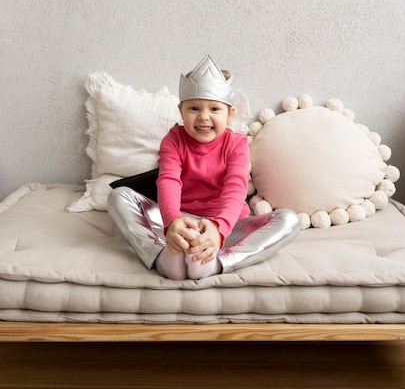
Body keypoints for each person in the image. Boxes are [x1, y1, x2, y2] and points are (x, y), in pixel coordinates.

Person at [108, 54, 300, 279]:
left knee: (289, 219)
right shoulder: (174, 140)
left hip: (225, 226)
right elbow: (168, 179)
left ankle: (220, 261)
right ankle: (159, 255)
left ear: (230, 114)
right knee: (118, 196)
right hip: (180, 222)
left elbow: (235, 188)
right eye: (194, 109)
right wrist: (172, 223)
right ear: (181, 111)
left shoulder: (237, 144)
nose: (204, 117)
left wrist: (219, 230)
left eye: (215, 109)